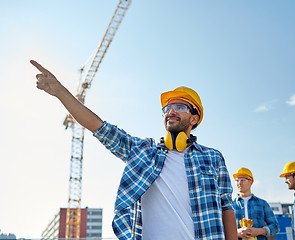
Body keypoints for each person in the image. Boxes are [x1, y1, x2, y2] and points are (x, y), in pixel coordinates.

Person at [30, 60, 237, 240]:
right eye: (167, 108)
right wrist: (59, 92)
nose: (171, 111)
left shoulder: (213, 158)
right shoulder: (143, 151)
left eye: (180, 106)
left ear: (194, 118)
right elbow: (98, 126)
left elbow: (227, 208)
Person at [232, 168, 279, 240]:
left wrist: (258, 231)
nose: (239, 183)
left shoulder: (262, 204)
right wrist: (237, 232)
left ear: (250, 182)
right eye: (237, 180)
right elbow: (222, 227)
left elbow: (275, 226)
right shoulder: (230, 206)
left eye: (242, 180)